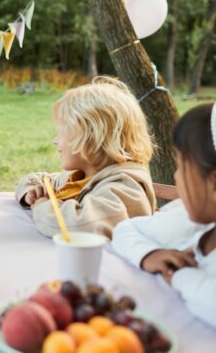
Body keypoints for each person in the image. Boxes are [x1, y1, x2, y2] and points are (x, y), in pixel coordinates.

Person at [112, 103, 216, 328]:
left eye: (179, 166)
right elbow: (125, 229)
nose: (176, 178)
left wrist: (181, 277)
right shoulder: (186, 221)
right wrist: (150, 253)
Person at [15, 77, 155, 238]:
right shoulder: (81, 177)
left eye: (62, 133)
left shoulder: (125, 187)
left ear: (91, 138)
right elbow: (39, 179)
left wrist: (42, 205)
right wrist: (31, 192)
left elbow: (77, 225)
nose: (55, 140)